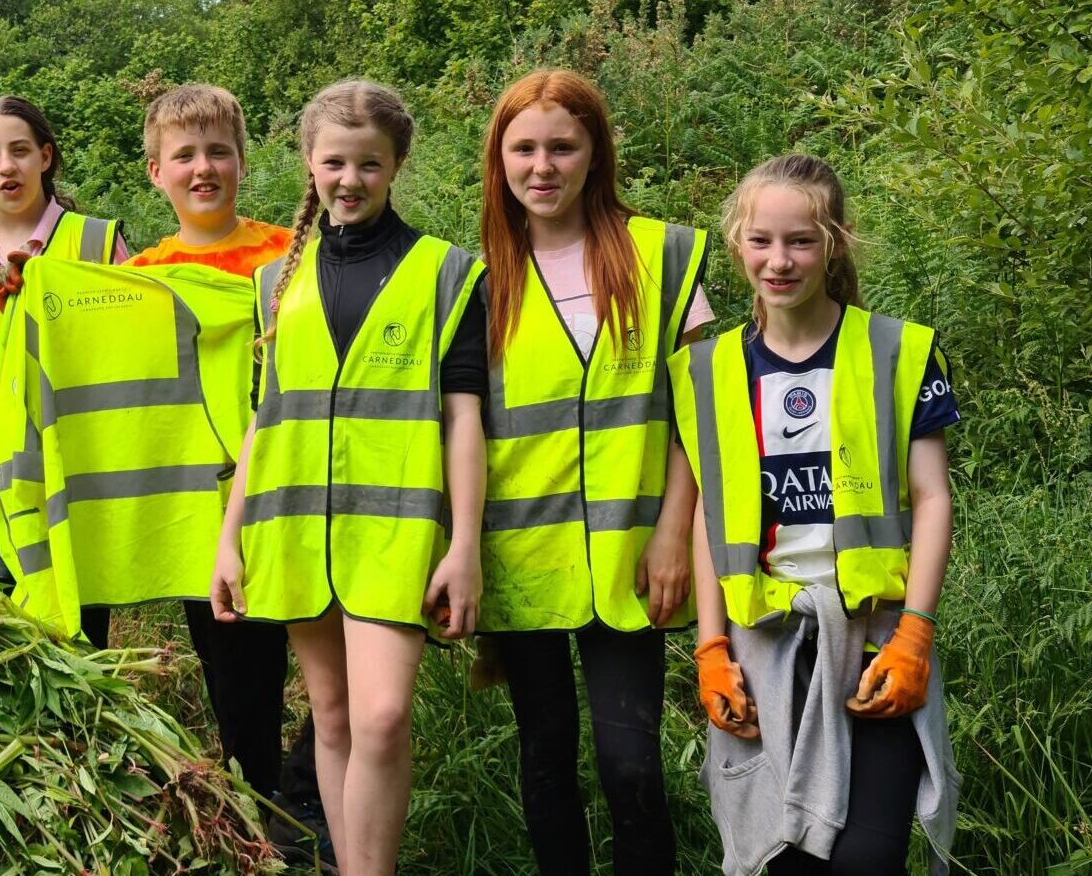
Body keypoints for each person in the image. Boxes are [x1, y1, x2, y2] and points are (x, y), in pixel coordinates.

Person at [211, 79, 488, 876]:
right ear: (308, 162)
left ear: (396, 163)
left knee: (382, 714)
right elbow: (265, 422)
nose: (350, 180)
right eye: (335, 162)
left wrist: (463, 543)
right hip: (292, 528)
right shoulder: (276, 281)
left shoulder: (446, 272)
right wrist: (230, 543)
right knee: (330, 718)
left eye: (369, 163)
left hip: (395, 534)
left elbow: (463, 418)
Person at [674, 154, 963, 875]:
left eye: (800, 240)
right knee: (784, 860)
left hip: (872, 644)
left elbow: (932, 497)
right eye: (761, 240)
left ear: (833, 242)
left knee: (867, 856)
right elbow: (711, 515)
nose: (779, 260)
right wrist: (711, 649)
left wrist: (916, 636)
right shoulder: (707, 370)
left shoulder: (898, 350)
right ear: (737, 243)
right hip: (763, 651)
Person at [474, 69, 712, 876]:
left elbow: (703, 413)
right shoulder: (476, 281)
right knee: (545, 762)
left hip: (631, 563)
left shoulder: (663, 255)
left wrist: (674, 531)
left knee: (632, 768)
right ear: (499, 159)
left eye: (562, 146)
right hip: (523, 567)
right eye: (525, 148)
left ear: (595, 154)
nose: (543, 166)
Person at [121, 84, 324, 858]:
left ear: (242, 160)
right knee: (238, 687)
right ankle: (264, 833)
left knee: (331, 678)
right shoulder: (141, 277)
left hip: (300, 493)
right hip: (204, 520)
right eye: (184, 156)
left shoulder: (293, 251)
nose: (202, 169)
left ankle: (311, 799)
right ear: (155, 172)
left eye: (217, 152)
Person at [0, 96, 126, 576]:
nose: (6, 167)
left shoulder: (96, 244)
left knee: (78, 647)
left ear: (45, 157)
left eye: (20, 151)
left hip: (79, 490)